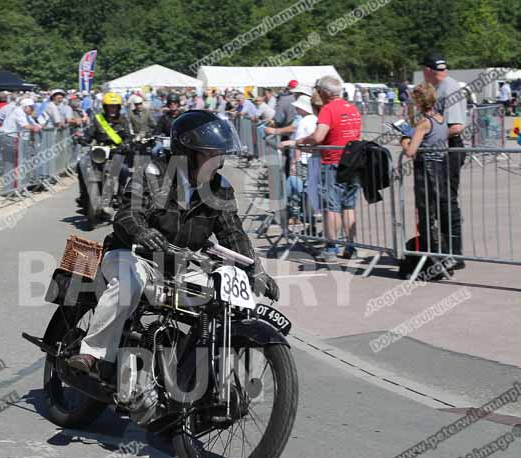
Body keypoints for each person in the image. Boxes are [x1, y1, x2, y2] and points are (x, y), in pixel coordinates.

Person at [67, 110, 279, 376]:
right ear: (187, 154)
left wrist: (255, 269)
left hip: (181, 265)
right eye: (210, 155)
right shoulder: (154, 174)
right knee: (130, 282)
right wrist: (141, 232)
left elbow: (233, 233)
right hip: (132, 255)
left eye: (220, 156)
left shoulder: (219, 188)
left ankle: (196, 370)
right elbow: (127, 213)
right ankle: (91, 352)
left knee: (225, 297)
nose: (218, 163)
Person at [293, 75, 362, 262]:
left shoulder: (328, 109)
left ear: (324, 92)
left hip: (333, 162)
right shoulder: (352, 108)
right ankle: (351, 246)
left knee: (331, 207)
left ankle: (331, 248)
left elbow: (318, 136)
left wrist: (301, 141)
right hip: (353, 162)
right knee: (348, 206)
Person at [420, 51, 466, 269]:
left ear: (429, 70)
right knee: (437, 202)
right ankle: (442, 249)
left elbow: (456, 126)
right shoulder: (436, 88)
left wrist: (427, 135)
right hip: (437, 150)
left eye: (423, 69)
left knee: (447, 201)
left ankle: (455, 254)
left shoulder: (450, 87)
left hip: (449, 149)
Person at [400, 83, 451, 258]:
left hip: (426, 171)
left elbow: (410, 151)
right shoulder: (441, 119)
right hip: (440, 168)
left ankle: (430, 254)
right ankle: (440, 252)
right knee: (435, 212)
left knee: (425, 215)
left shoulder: (424, 123)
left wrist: (404, 137)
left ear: (419, 102)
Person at [79, 92, 132, 214]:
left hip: (117, 151)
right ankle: (83, 196)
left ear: (118, 107)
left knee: (123, 169)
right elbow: (89, 135)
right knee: (81, 164)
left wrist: (127, 144)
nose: (112, 109)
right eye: (109, 106)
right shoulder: (98, 119)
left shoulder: (124, 120)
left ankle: (121, 195)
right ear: (105, 107)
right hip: (99, 151)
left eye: (114, 106)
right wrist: (82, 138)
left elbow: (129, 136)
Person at [278, 95, 316, 224]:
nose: (296, 109)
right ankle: (307, 218)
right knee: (307, 191)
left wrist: (294, 162)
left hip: (303, 161)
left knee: (295, 187)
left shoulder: (304, 122)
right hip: (313, 160)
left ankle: (295, 215)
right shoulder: (316, 119)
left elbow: (298, 145)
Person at [0, 97, 41, 188]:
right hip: (8, 138)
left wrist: (37, 126)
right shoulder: (19, 112)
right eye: (32, 107)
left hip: (13, 138)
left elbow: (34, 123)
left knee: (17, 162)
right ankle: (9, 188)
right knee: (11, 163)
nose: (33, 110)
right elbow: (26, 125)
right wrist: (35, 128)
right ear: (26, 107)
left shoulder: (26, 114)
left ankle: (16, 186)